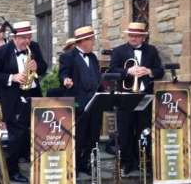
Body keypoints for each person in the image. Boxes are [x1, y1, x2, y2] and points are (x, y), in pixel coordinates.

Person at [0, 21, 47, 183]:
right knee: (17, 134)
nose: (27, 41)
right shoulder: (1, 52)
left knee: (34, 131)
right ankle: (12, 171)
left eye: (29, 37)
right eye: (23, 38)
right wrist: (11, 77)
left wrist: (37, 67)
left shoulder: (33, 47)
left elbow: (44, 67)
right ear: (14, 37)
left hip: (32, 94)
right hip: (11, 98)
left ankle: (32, 161)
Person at [109, 22, 164, 175]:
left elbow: (160, 71)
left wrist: (149, 71)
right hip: (125, 96)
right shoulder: (119, 51)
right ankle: (126, 162)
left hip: (144, 95)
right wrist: (128, 71)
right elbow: (112, 70)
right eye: (131, 35)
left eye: (136, 36)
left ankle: (143, 161)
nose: (133, 38)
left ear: (143, 37)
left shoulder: (151, 51)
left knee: (143, 129)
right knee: (125, 130)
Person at [59, 26, 101, 174]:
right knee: (78, 136)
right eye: (92, 40)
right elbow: (63, 74)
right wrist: (65, 80)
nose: (93, 42)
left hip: (95, 103)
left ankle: (85, 164)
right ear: (83, 41)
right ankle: (74, 165)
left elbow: (97, 77)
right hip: (79, 104)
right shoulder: (68, 56)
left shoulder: (94, 57)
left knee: (93, 136)